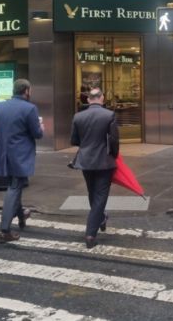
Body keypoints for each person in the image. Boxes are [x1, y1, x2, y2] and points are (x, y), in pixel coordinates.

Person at [0, 79, 44, 243]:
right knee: (14, 187)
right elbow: (37, 134)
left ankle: (21, 214)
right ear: (26, 91)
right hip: (20, 155)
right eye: (30, 90)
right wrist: (41, 128)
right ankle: (4, 230)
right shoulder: (30, 108)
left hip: (2, 155)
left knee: (15, 185)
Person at [70, 87, 119, 249]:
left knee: (92, 192)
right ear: (102, 98)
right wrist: (114, 155)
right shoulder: (109, 115)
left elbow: (74, 140)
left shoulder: (78, 116)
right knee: (100, 196)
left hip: (86, 161)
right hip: (104, 161)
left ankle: (100, 217)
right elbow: (114, 140)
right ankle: (90, 234)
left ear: (88, 99)